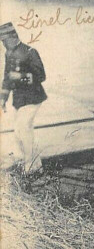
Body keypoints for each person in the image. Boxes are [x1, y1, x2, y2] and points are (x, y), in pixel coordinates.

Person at [0, 22, 47, 175]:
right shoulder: (9, 54)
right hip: (19, 100)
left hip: (33, 97)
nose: (3, 44)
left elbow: (41, 76)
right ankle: (36, 165)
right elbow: (7, 78)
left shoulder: (30, 52)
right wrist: (3, 99)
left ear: (13, 37)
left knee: (23, 129)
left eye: (4, 41)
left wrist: (20, 77)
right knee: (20, 132)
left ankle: (29, 166)